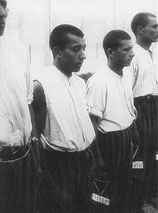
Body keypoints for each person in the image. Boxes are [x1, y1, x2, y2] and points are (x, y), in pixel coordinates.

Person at [32, 24, 102, 213]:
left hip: (83, 161)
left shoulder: (79, 83)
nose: (83, 55)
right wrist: (46, 177)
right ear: (57, 51)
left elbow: (86, 124)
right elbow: (35, 138)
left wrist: (93, 157)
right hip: (59, 166)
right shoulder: (40, 85)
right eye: (76, 49)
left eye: (84, 48)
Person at [86, 30, 139, 213]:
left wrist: (133, 134)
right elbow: (92, 122)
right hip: (109, 142)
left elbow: (128, 109)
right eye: (126, 50)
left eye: (131, 49)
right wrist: (98, 157)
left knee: (126, 184)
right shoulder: (99, 81)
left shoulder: (126, 76)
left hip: (126, 138)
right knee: (108, 190)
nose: (132, 54)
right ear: (110, 52)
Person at [0, 1, 40, 213]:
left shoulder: (18, 49)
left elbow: (28, 101)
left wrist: (34, 145)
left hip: (24, 156)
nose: (1, 15)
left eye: (3, 6)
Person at [130, 12, 158, 212]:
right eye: (154, 26)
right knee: (140, 157)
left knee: (154, 153)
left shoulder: (152, 54)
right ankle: (138, 201)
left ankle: (149, 195)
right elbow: (128, 90)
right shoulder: (132, 55)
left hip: (154, 106)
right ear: (140, 30)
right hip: (140, 109)